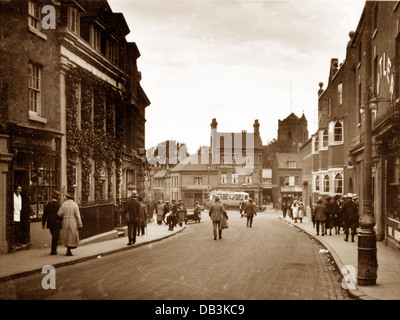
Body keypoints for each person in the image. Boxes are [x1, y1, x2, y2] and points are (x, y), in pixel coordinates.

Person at [42, 190, 62, 255]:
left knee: (53, 235)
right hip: (57, 222)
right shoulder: (59, 205)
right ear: (57, 198)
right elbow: (61, 215)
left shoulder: (48, 204)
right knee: (55, 236)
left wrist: (43, 223)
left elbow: (45, 214)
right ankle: (53, 251)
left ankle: (53, 250)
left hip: (50, 222)